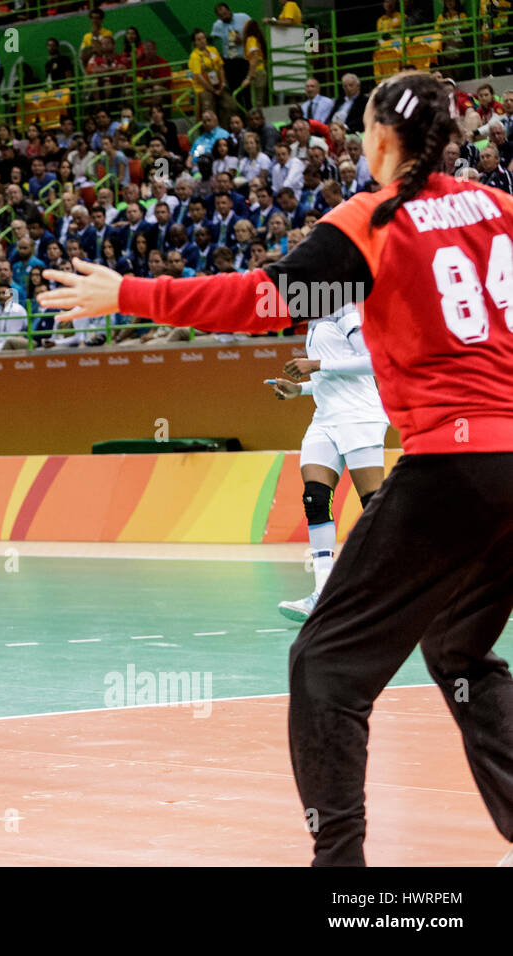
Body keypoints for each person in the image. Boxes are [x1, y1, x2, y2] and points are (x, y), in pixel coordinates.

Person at [38, 71, 513, 867]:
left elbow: (266, 302)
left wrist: (130, 290)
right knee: (460, 650)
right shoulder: (502, 212)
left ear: (382, 141)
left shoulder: (378, 223)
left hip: (454, 466)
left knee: (324, 666)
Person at [263, 305, 387, 621]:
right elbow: (331, 380)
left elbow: (373, 362)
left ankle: (394, 586)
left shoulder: (347, 312)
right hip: (325, 420)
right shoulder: (315, 322)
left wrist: (317, 364)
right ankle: (323, 592)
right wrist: (300, 389)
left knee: (374, 506)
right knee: (315, 498)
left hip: (360, 417)